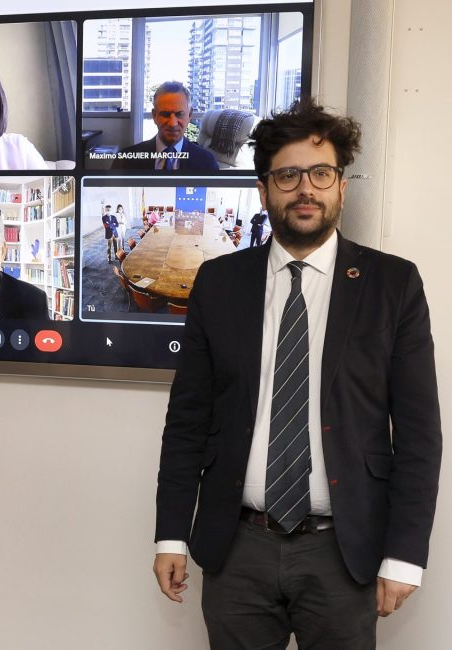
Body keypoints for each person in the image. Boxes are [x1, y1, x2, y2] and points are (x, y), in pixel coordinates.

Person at [153, 99, 441, 648]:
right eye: (287, 175)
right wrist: (171, 534)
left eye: (320, 173)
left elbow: (420, 434)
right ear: (263, 190)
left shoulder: (393, 286)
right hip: (237, 549)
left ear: (341, 187)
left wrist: (404, 555)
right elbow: (187, 419)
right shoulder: (218, 283)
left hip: (344, 553)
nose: (305, 189)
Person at [112, 81, 219, 172]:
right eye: (165, 114)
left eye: (179, 114)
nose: (172, 123)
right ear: (154, 116)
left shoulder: (207, 163)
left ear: (190, 116)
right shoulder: (125, 160)